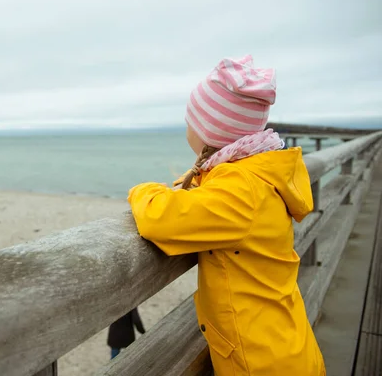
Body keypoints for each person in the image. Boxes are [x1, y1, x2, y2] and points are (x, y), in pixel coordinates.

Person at [127, 55, 325, 376]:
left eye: (191, 121)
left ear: (209, 132)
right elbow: (214, 202)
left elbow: (161, 219)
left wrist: (143, 190)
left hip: (261, 361)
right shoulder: (253, 176)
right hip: (278, 343)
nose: (187, 128)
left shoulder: (241, 190)